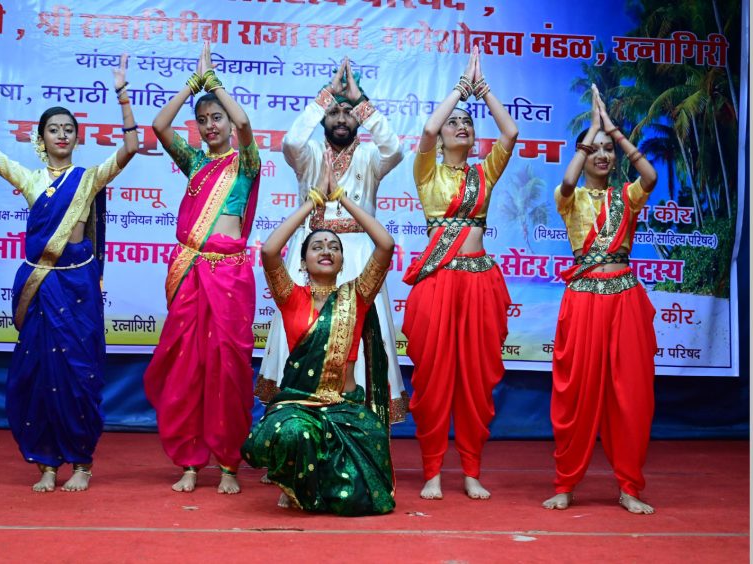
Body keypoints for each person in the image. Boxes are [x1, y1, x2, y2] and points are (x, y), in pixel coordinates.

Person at [0, 52, 140, 492]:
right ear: (41, 139)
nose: (62, 135)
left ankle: (81, 462)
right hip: (40, 283)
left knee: (79, 374)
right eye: (54, 129)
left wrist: (122, 94)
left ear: (76, 138)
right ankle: (47, 463)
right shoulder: (30, 180)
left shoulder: (89, 179)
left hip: (78, 284)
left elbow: (130, 149)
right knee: (40, 373)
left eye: (69, 129)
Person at [242, 149, 397, 516]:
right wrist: (312, 202)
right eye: (317, 246)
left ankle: (314, 483)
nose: (326, 250)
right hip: (301, 406)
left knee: (371, 489)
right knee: (294, 432)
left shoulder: (357, 297)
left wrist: (341, 198)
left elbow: (385, 245)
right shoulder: (291, 297)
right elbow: (269, 251)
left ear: (343, 261)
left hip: (345, 409)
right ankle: (294, 481)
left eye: (333, 247)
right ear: (304, 259)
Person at [256, 57, 409, 426]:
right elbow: (291, 142)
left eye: (348, 114)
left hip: (357, 257)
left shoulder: (371, 156)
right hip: (308, 255)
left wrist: (361, 103)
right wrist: (325, 97)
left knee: (365, 339)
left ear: (358, 118)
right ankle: (288, 430)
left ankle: (362, 430)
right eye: (334, 113)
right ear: (323, 117)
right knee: (299, 335)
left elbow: (396, 150)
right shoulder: (309, 154)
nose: (341, 119)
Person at [142, 41, 261, 495]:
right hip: (191, 271)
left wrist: (215, 84)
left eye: (218, 118)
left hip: (229, 275)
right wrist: (192, 86)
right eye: (204, 120)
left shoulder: (246, 163)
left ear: (230, 124)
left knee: (227, 368)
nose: (211, 126)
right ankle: (191, 461)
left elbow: (247, 123)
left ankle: (229, 464)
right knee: (187, 368)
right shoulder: (194, 163)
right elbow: (158, 125)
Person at [401, 46, 518, 501]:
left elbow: (510, 131)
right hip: (438, 281)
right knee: (433, 379)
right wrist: (457, 90)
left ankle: (471, 469)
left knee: (475, 379)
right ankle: (432, 471)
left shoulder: (484, 172)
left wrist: (483, 91)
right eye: (456, 122)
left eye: (468, 123)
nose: (461, 126)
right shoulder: (427, 171)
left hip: (479, 282)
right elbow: (430, 127)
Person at [542, 84, 659, 515]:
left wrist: (615, 130)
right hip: (584, 299)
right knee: (575, 394)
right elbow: (569, 179)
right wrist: (590, 131)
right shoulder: (568, 200)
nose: (603, 155)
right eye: (597, 150)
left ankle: (630, 487)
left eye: (608, 150)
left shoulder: (627, 196)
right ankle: (565, 483)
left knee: (631, 396)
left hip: (624, 298)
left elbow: (649, 177)